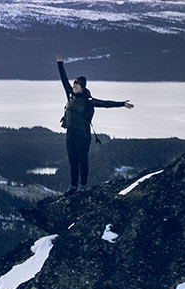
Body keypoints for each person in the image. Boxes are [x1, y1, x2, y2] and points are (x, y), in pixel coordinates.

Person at [56, 55, 133, 194]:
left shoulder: (88, 100)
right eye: (73, 85)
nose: (74, 87)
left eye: (77, 85)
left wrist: (122, 104)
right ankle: (73, 186)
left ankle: (83, 186)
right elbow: (63, 80)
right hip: (70, 133)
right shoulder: (70, 95)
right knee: (72, 161)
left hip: (83, 135)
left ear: (82, 87)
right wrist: (60, 64)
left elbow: (105, 104)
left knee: (82, 161)